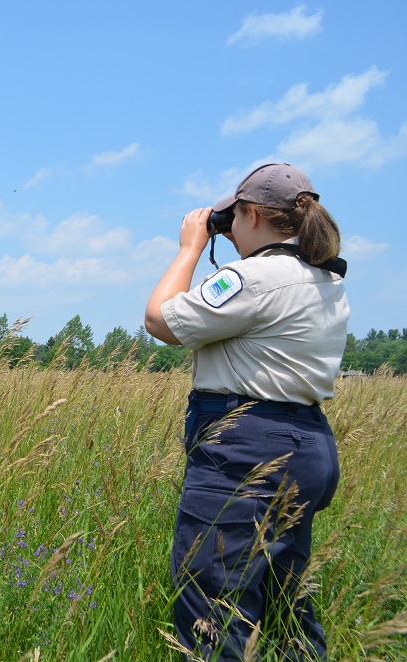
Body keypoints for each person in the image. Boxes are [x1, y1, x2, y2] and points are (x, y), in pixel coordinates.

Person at [144, 163, 349, 660]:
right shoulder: (325, 280)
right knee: (284, 607)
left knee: (213, 605)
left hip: (246, 449)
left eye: (233, 218)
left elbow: (159, 319)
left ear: (252, 213)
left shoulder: (251, 278)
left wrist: (191, 246)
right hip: (307, 447)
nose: (228, 228)